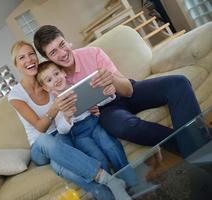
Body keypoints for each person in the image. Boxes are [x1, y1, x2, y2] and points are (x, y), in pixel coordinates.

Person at [33, 25, 205, 157]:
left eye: (62, 44)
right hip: (106, 111)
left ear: (67, 40)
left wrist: (112, 80)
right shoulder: (55, 79)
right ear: (48, 58)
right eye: (54, 52)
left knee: (178, 83)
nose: (62, 53)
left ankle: (198, 150)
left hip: (125, 91)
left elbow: (129, 91)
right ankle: (199, 148)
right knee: (126, 126)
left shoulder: (93, 53)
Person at [8, 40, 131, 200]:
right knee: (45, 140)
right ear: (16, 64)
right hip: (40, 144)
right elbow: (40, 128)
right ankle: (107, 179)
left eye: (31, 54)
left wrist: (88, 105)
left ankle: (108, 195)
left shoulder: (49, 79)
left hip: (62, 134)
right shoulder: (16, 94)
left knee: (60, 166)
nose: (29, 60)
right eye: (22, 57)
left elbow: (76, 100)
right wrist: (55, 108)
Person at [35, 60, 137, 188]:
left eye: (56, 74)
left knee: (112, 147)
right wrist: (67, 116)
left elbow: (98, 101)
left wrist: (109, 94)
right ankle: (113, 188)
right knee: (99, 158)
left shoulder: (80, 88)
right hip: (80, 136)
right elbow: (62, 130)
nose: (55, 79)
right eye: (49, 80)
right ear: (45, 87)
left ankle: (132, 181)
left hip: (95, 126)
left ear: (63, 72)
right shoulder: (56, 105)